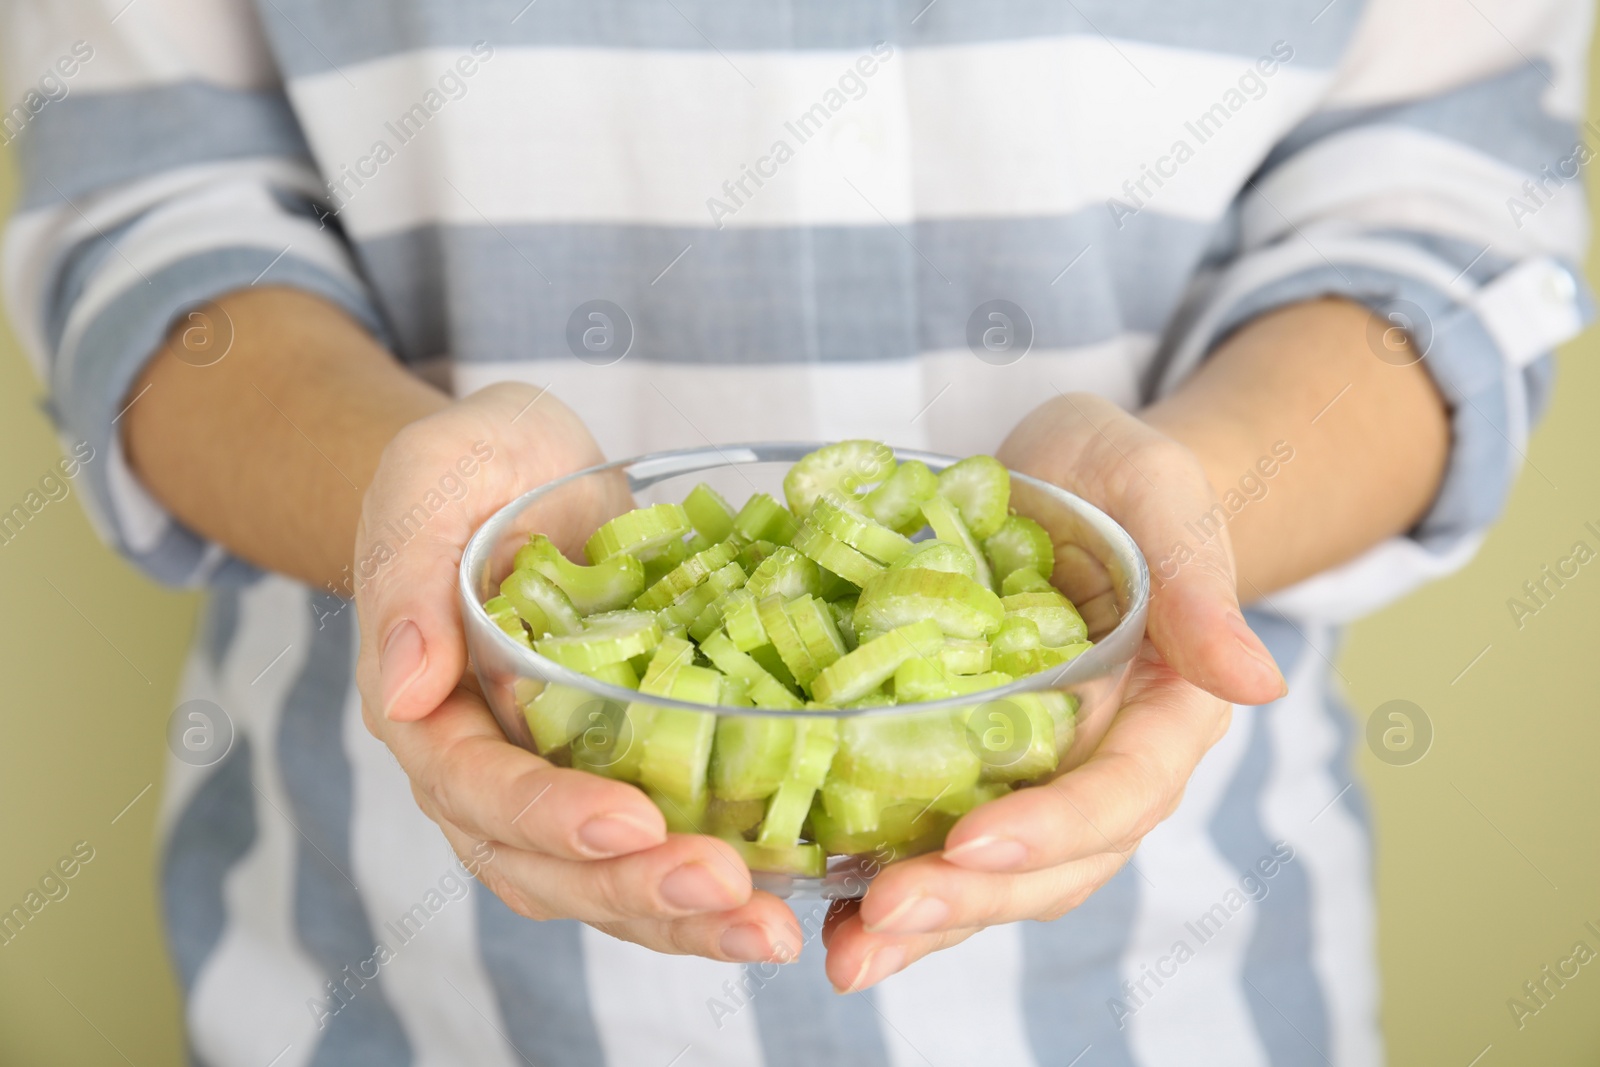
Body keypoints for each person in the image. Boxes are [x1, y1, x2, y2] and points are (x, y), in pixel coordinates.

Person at [4, 1, 1589, 1063]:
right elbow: (151, 201)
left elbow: (1445, 205)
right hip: (406, 996)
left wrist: (1178, 505)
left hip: (1183, 995)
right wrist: (406, 496)